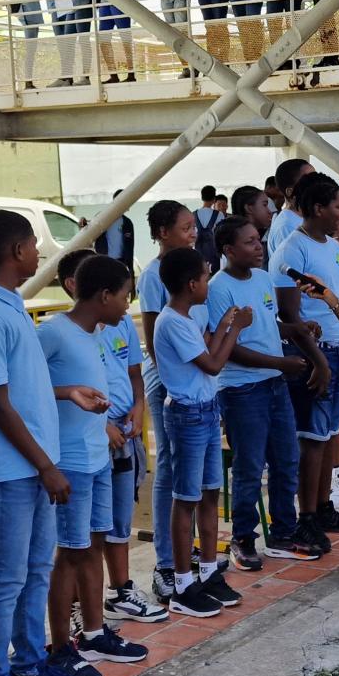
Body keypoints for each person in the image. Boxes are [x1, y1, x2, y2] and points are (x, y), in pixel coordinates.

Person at [0, 209, 93, 676]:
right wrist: (45, 465)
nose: (40, 252)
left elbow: (21, 387)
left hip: (34, 467)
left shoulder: (11, 305)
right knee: (5, 579)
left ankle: (28, 664)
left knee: (35, 569)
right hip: (11, 472)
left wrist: (66, 393)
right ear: (17, 251)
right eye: (34, 244)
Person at [37, 253, 152, 676]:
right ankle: (60, 647)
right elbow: (22, 386)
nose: (128, 304)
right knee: (70, 551)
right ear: (104, 295)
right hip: (70, 461)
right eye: (124, 295)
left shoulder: (97, 333)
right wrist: (68, 392)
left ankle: (94, 632)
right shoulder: (53, 333)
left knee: (94, 543)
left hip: (98, 457)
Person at [208, 216, 322, 569]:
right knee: (250, 466)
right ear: (229, 250)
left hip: (274, 384)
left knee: (287, 459)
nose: (259, 247)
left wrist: (297, 329)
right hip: (242, 389)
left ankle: (283, 534)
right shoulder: (218, 289)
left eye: (259, 240)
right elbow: (230, 348)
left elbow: (267, 326)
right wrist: (281, 363)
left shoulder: (261, 278)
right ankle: (243, 539)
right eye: (250, 242)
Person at [154, 247, 251, 614]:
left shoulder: (189, 315)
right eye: (206, 278)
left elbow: (207, 350)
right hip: (188, 416)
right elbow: (212, 364)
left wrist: (224, 325)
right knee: (186, 498)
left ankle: (208, 572)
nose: (209, 284)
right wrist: (236, 329)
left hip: (207, 411)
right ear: (192, 284)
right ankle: (182, 585)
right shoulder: (171, 322)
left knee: (210, 492)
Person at [272, 172, 339, 548]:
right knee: (311, 438)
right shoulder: (292, 251)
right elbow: (289, 316)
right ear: (317, 208)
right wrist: (318, 362)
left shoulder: (332, 247)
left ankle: (324, 507)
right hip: (313, 355)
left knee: (327, 436)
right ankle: (306, 517)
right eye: (338, 207)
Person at [136, 199, 199, 602]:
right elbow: (153, 336)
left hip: (193, 380)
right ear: (163, 233)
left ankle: (185, 552)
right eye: (185, 227)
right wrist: (178, 386)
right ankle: (165, 563)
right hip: (168, 383)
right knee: (170, 468)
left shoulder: (192, 267)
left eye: (194, 226)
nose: (193, 233)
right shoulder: (152, 276)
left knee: (189, 470)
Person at [94, 0, 140, 83]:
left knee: (124, 36)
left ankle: (131, 74)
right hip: (105, 1)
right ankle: (113, 74)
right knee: (103, 39)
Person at [265, 157, 316, 251]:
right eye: (309, 180)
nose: (318, 184)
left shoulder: (304, 218)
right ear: (290, 192)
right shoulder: (287, 226)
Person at [99, 190, 137, 270]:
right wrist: (83, 222)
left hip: (120, 264)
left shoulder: (128, 223)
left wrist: (131, 270)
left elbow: (130, 249)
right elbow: (87, 231)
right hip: (103, 263)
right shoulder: (102, 218)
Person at [194, 185, 225, 269]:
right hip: (214, 254)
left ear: (202, 198)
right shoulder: (219, 214)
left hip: (197, 254)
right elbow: (222, 235)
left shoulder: (193, 215)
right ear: (214, 199)